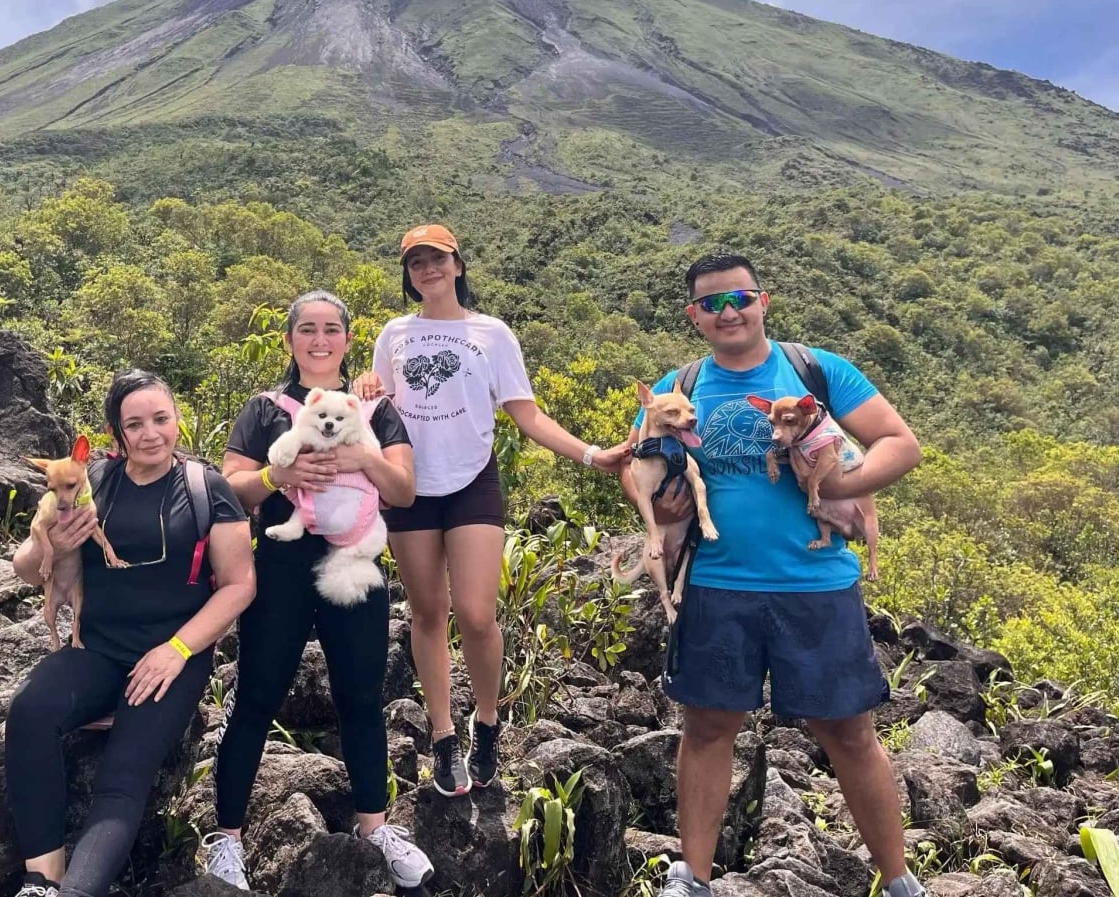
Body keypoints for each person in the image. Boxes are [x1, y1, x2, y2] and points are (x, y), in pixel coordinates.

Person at [622, 253, 926, 897]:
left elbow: (900, 443)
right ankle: (694, 878)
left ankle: (899, 881)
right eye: (712, 303)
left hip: (814, 584)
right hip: (715, 583)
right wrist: (657, 502)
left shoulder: (817, 370)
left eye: (740, 298)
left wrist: (844, 481)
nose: (728, 312)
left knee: (849, 732)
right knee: (706, 729)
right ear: (693, 316)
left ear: (764, 301)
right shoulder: (681, 381)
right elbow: (636, 460)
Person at [354, 224, 629, 796]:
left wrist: (591, 453)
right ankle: (443, 735)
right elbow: (382, 409)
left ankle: (486, 722)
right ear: (409, 275)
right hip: (410, 487)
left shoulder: (492, 333)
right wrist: (364, 390)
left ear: (458, 265)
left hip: (472, 481)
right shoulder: (395, 333)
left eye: (437, 259)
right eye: (416, 263)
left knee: (477, 615)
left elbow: (526, 415)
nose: (427, 269)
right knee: (427, 614)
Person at [207, 290, 434, 891]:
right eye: (306, 329)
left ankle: (375, 826)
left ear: (348, 339)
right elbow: (229, 489)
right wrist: (278, 474)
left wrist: (362, 456)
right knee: (255, 697)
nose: (319, 339)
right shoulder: (263, 410)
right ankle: (226, 838)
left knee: (361, 699)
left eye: (331, 329)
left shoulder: (377, 413)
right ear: (289, 340)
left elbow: (405, 490)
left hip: (355, 561)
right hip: (281, 562)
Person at [4, 370, 256, 897]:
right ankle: (42, 883)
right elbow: (27, 568)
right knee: (30, 712)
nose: (150, 434)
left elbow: (239, 586)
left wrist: (177, 650)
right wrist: (47, 543)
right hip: (97, 648)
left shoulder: (207, 488)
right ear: (117, 435)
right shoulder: (88, 480)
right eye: (134, 424)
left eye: (160, 419)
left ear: (177, 419)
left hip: (173, 655)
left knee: (124, 771)